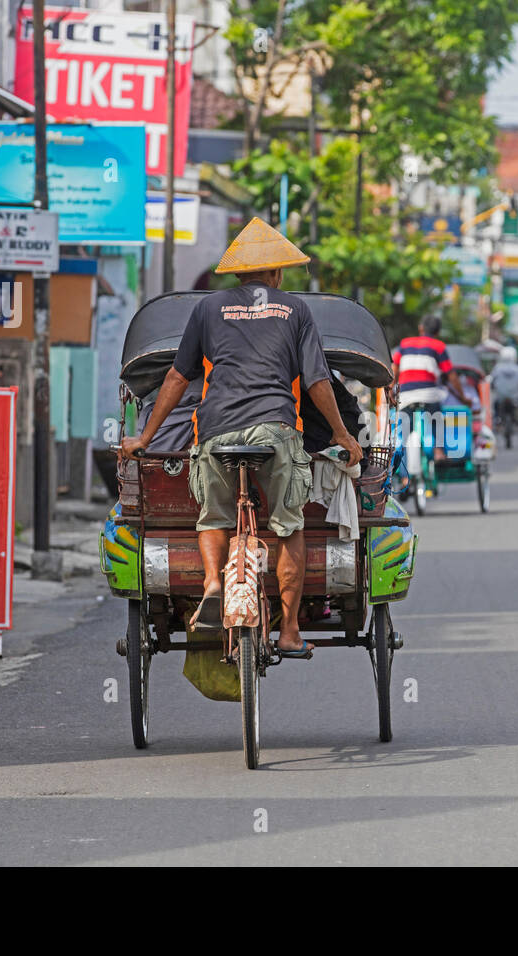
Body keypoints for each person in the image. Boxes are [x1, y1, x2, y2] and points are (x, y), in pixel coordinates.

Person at [120, 217, 362, 658]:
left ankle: (214, 582)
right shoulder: (295, 310)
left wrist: (145, 436)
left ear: (237, 273)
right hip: (275, 430)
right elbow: (316, 382)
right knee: (289, 526)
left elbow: (177, 377)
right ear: (275, 273)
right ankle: (288, 631)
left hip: (217, 430)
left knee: (214, 518)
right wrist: (345, 436)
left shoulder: (208, 309)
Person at [393, 316, 467, 461]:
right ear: (438, 331)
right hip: (429, 394)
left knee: (403, 434)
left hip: (406, 395)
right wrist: (463, 397)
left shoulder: (405, 344)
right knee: (437, 419)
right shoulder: (438, 346)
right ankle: (439, 451)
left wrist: (391, 388)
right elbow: (451, 376)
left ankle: (403, 476)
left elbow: (394, 367)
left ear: (421, 328)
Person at [489, 345, 518, 428]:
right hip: (515, 396)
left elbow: (492, 381)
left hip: (501, 396)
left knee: (496, 404)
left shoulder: (497, 368)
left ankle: (497, 422)